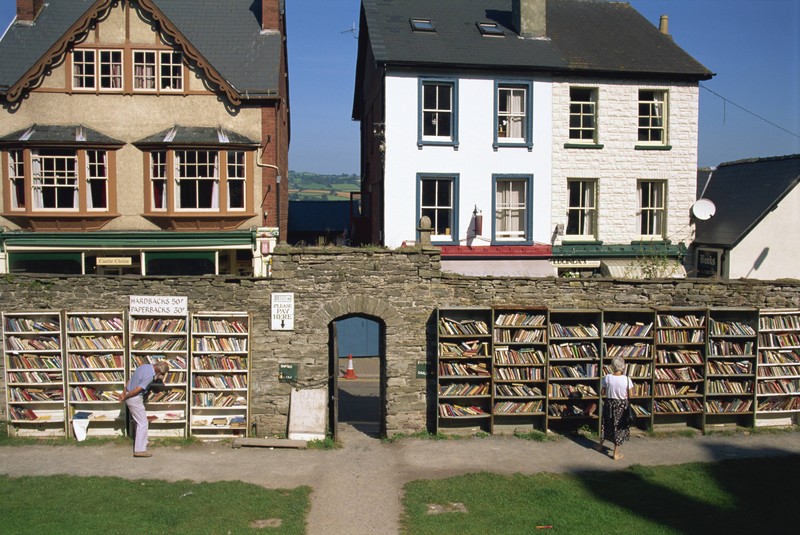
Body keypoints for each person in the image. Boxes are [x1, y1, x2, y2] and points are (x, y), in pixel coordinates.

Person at [119, 360, 169, 458]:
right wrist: (126, 396)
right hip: (134, 398)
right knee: (143, 423)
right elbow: (138, 389)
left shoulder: (143, 366)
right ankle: (140, 450)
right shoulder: (150, 376)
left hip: (130, 394)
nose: (161, 376)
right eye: (162, 374)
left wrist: (124, 392)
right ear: (158, 371)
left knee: (140, 421)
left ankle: (143, 441)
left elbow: (130, 380)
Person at [594, 356, 634, 461]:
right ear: (623, 367)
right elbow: (631, 395)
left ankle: (600, 446)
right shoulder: (627, 379)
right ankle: (616, 454)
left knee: (606, 424)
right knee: (619, 428)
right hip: (621, 406)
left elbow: (602, 392)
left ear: (613, 366)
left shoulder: (607, 377)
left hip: (609, 405)